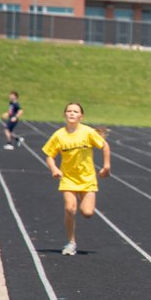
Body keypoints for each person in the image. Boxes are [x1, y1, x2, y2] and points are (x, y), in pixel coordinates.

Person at [42, 102, 111, 256]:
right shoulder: (59, 135)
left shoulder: (88, 132)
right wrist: (53, 168)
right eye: (69, 111)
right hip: (68, 178)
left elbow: (105, 146)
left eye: (75, 111)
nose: (72, 113)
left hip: (87, 178)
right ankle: (71, 242)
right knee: (69, 208)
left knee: (87, 212)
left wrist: (106, 166)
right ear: (65, 114)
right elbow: (49, 156)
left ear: (81, 116)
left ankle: (83, 198)